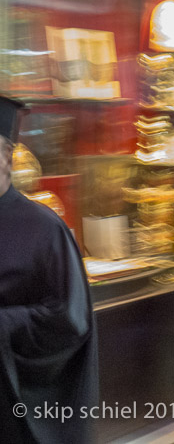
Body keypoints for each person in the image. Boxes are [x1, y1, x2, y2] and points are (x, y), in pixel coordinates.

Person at [0, 95, 98, 443]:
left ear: (7, 158)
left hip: (16, 403)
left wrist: (6, 322)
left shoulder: (44, 229)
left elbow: (70, 318)